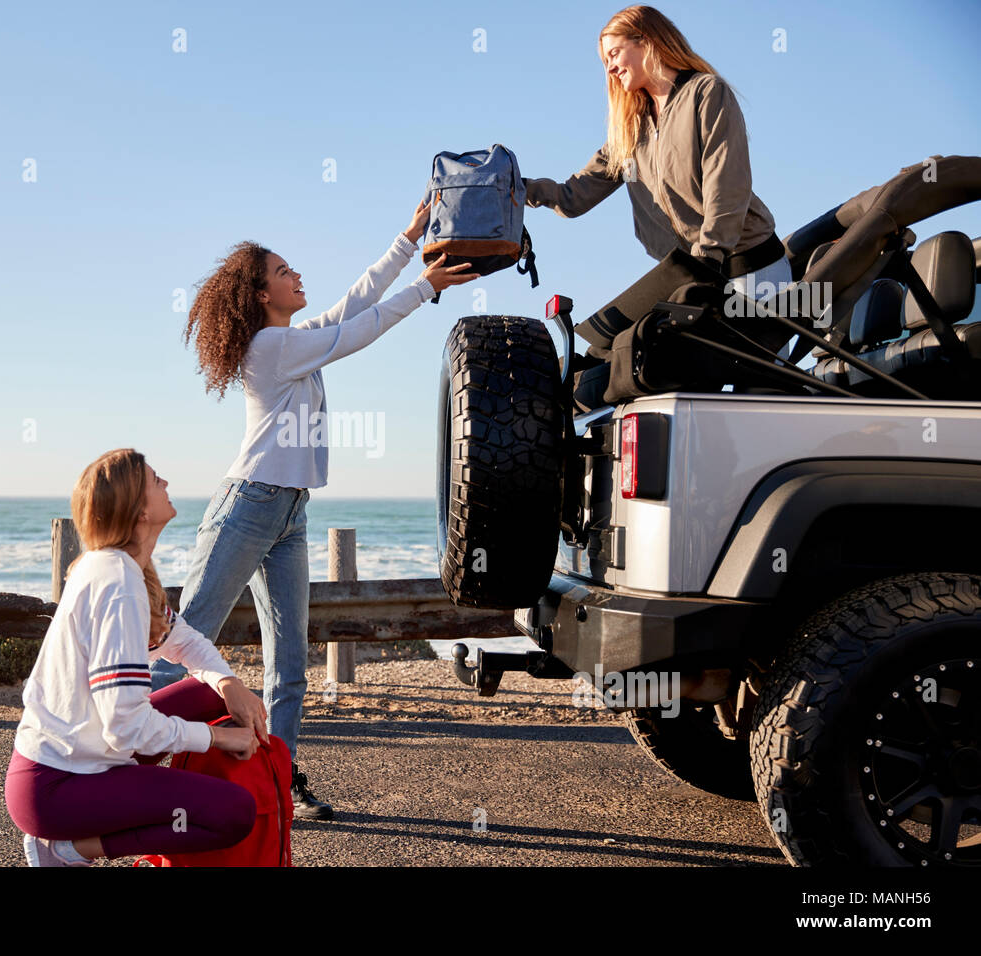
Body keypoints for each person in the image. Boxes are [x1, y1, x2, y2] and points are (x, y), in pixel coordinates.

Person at [148, 198, 478, 819]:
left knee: (290, 665)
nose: (298, 276)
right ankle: (128, 752)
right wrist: (426, 289)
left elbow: (353, 304)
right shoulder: (271, 347)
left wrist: (407, 242)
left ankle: (279, 781)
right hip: (247, 505)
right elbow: (359, 331)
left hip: (289, 513)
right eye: (284, 271)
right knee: (187, 638)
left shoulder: (292, 340)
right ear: (260, 293)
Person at [4, 448, 272, 866]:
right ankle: (68, 849)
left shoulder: (123, 569)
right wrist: (218, 738)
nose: (165, 482)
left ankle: (162, 794)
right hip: (56, 789)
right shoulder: (117, 582)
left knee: (211, 696)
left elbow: (182, 639)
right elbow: (125, 728)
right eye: (153, 480)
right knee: (233, 814)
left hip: (81, 764)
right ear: (137, 512)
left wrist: (228, 683)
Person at [523, 5, 792, 310]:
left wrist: (708, 257)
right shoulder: (630, 131)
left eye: (614, 54)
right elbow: (572, 197)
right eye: (604, 61)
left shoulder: (705, 94)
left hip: (751, 269)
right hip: (693, 277)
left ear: (646, 41)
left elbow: (727, 185)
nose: (609, 68)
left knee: (748, 359)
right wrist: (518, 189)